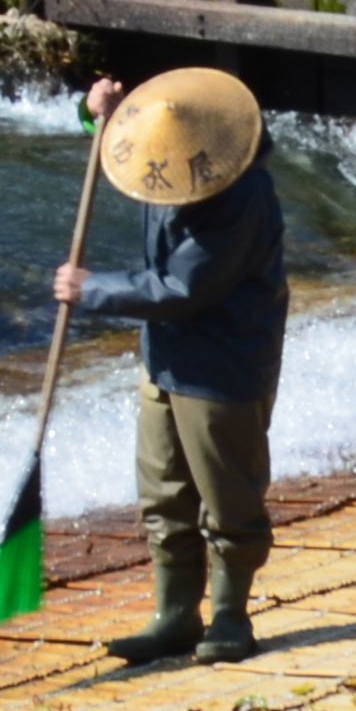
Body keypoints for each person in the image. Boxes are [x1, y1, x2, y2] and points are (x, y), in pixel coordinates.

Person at [49, 66, 291, 664]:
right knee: (163, 494)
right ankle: (176, 615)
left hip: (223, 364)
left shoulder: (242, 193)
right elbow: (122, 147)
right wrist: (94, 112)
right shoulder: (169, 158)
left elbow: (185, 286)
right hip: (165, 358)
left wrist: (92, 289)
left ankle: (232, 619)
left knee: (228, 501)